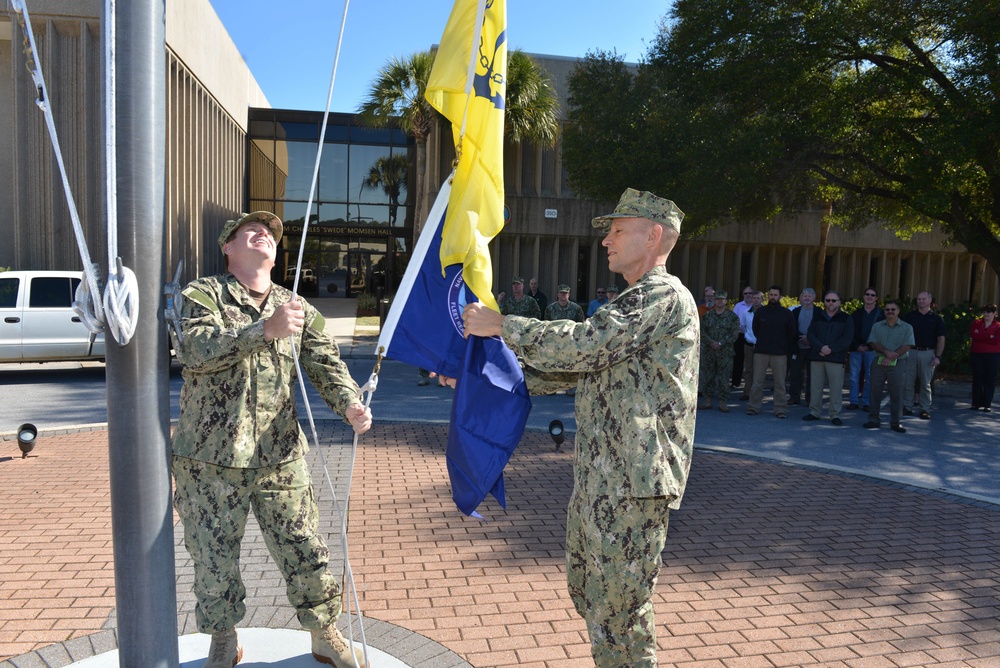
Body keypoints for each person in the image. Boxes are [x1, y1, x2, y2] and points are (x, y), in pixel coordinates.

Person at [461, 188, 699, 667]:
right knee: (592, 593)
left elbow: (586, 345)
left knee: (619, 607)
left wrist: (503, 325)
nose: (607, 241)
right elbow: (573, 369)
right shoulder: (634, 301)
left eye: (618, 230)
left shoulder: (661, 295)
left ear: (654, 236)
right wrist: (477, 375)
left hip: (633, 483)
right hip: (603, 477)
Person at [170, 211, 373, 668]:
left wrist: (349, 404)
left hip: (279, 455)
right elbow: (193, 349)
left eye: (270, 233)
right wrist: (263, 329)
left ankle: (324, 633)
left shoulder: (294, 305)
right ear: (228, 247)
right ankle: (223, 639)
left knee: (305, 546)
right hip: (209, 460)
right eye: (250, 230)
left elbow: (325, 361)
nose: (264, 234)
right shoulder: (203, 294)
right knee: (212, 558)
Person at [802, 291, 853, 425]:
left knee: (835, 388)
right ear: (824, 302)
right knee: (815, 387)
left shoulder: (846, 318)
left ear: (839, 302)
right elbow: (811, 334)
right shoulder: (817, 316)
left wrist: (830, 349)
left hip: (836, 358)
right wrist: (820, 348)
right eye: (828, 300)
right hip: (817, 357)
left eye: (833, 300)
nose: (831, 303)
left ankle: (835, 414)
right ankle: (814, 412)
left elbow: (847, 338)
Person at [864, 300, 914, 433]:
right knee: (874, 390)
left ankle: (896, 422)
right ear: (884, 311)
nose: (890, 311)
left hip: (899, 362)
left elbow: (907, 345)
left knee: (897, 392)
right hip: (878, 360)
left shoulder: (907, 327)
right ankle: (873, 419)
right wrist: (887, 353)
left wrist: (892, 356)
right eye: (887, 309)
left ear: (898, 311)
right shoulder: (877, 326)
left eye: (893, 309)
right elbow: (873, 343)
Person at [747, 285, 796, 418]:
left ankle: (780, 409)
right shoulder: (761, 312)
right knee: (757, 382)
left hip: (779, 353)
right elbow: (756, 329)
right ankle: (753, 407)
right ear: (768, 296)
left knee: (780, 383)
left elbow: (791, 332)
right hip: (761, 352)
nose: (773, 297)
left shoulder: (786, 314)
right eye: (771, 295)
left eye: (775, 295)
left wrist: (782, 344)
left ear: (780, 297)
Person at [901, 291, 946, 419]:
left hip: (928, 353)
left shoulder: (937, 318)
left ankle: (924, 409)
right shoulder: (910, 317)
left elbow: (941, 339)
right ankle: (907, 406)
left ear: (930, 301)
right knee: (908, 382)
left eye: (923, 299)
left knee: (926, 383)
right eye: (919, 299)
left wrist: (938, 356)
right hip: (911, 352)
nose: (921, 301)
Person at [699, 290, 740, 412]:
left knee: (724, 378)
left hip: (725, 352)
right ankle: (707, 401)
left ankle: (723, 402)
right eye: (717, 299)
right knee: (708, 377)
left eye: (722, 299)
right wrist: (711, 342)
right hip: (709, 351)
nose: (719, 301)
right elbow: (702, 331)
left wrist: (721, 343)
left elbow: (734, 334)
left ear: (726, 301)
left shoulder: (732, 317)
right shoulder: (707, 316)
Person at [848, 287, 884, 410]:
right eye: (867, 294)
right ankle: (853, 401)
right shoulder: (856, 314)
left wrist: (869, 346)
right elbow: (850, 332)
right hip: (856, 349)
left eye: (872, 295)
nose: (869, 297)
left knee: (870, 376)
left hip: (873, 350)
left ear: (876, 298)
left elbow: (882, 334)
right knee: (853, 376)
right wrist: (857, 345)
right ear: (863, 296)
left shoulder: (881, 314)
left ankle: (867, 402)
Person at [787, 288, 817, 405]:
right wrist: (801, 337)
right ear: (801, 298)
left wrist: (809, 338)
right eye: (805, 296)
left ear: (814, 298)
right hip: (797, 347)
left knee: (812, 375)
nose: (807, 298)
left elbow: (819, 329)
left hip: (813, 348)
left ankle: (810, 398)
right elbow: (791, 329)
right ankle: (794, 396)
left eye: (810, 296)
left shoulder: (819, 312)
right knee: (795, 373)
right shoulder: (795, 312)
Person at [970, 304, 1000, 412]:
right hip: (977, 354)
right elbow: (973, 335)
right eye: (984, 312)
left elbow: (996, 340)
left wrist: (982, 337)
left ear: (994, 314)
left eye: (989, 312)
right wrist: (988, 336)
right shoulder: (976, 323)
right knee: (977, 378)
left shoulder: (998, 326)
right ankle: (975, 403)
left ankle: (987, 404)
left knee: (989, 379)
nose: (986, 314)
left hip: (993, 355)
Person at [737, 290, 763, 400]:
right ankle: (747, 392)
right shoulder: (746, 313)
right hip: (748, 344)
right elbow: (742, 327)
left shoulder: (765, 312)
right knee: (748, 369)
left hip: (761, 345)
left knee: (760, 370)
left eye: (758, 298)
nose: (756, 300)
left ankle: (757, 393)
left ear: (762, 300)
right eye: (754, 298)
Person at [732, 287, 755, 389]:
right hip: (740, 335)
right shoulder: (738, 306)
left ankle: (751, 384)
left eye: (750, 293)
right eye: (746, 293)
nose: (748, 295)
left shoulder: (758, 306)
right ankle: (735, 381)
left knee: (752, 363)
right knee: (738, 359)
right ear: (743, 295)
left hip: (753, 336)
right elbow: (733, 319)